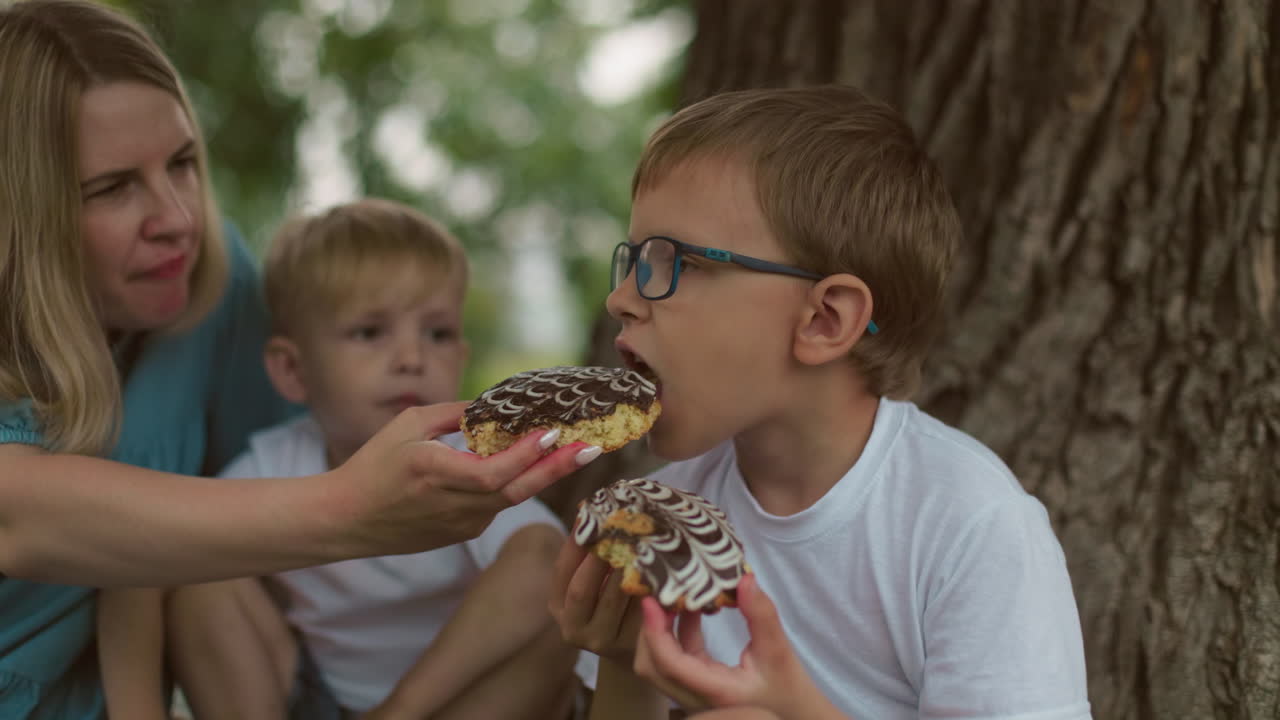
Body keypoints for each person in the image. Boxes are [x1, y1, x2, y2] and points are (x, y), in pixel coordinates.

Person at [0, 2, 597, 717]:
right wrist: (356, 509)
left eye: (184, 164)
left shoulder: (210, 287)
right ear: (21, 210)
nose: (178, 219)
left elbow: (268, 507)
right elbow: (26, 516)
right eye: (113, 188)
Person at [549, 85, 1093, 720]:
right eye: (635, 259)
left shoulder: (968, 522)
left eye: (677, 263)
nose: (621, 298)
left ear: (825, 320)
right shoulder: (674, 513)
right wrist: (626, 661)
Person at [156, 199, 596, 719]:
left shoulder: (467, 459)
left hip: (453, 702)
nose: (412, 358)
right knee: (200, 575)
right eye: (370, 332)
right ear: (293, 370)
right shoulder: (275, 462)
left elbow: (540, 557)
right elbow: (193, 547)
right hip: (317, 696)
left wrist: (398, 712)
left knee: (559, 612)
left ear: (461, 358)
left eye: (437, 334)